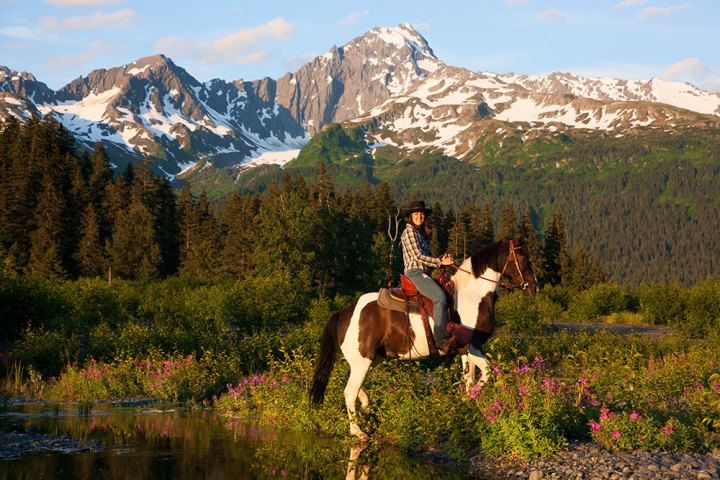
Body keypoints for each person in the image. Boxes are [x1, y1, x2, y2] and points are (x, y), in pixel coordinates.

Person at [399, 200, 455, 352]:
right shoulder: (409, 232)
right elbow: (417, 256)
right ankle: (441, 340)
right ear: (410, 216)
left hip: (424, 273)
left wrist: (443, 262)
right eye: (416, 214)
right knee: (439, 297)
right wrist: (438, 261)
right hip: (415, 273)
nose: (420, 216)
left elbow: (428, 259)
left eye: (422, 214)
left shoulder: (420, 235)